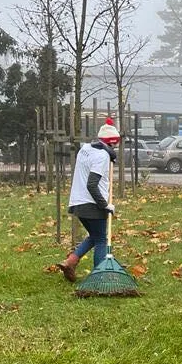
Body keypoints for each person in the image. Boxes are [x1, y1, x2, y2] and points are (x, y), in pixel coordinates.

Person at [56, 119, 120, 281]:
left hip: (77, 203)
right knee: (101, 239)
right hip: (92, 204)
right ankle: (99, 277)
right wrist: (105, 205)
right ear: (111, 143)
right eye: (115, 146)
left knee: (93, 235)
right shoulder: (102, 156)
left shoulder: (85, 149)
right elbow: (92, 184)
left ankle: (71, 261)